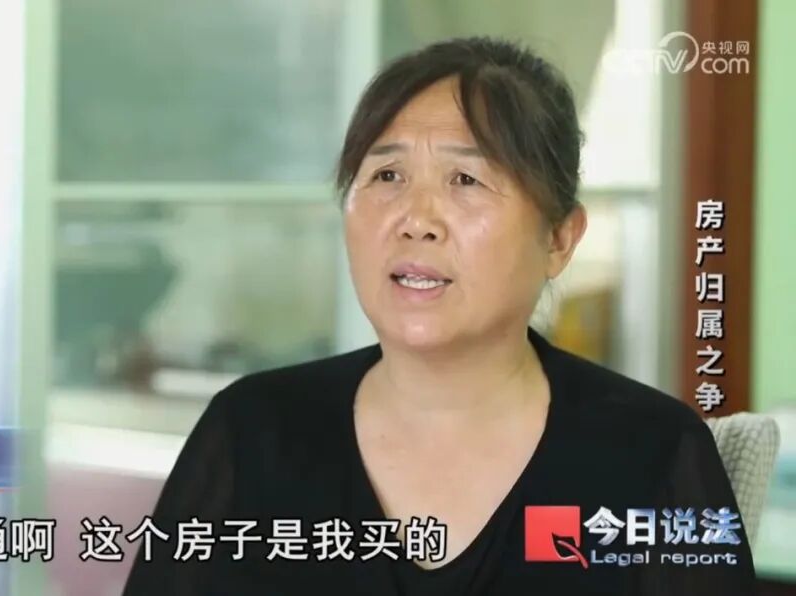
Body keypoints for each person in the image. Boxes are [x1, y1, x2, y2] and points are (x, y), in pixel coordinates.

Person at [122, 36, 757, 596]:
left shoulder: (651, 452)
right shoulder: (251, 431)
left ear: (560, 239)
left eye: (466, 180)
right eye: (387, 175)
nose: (416, 219)